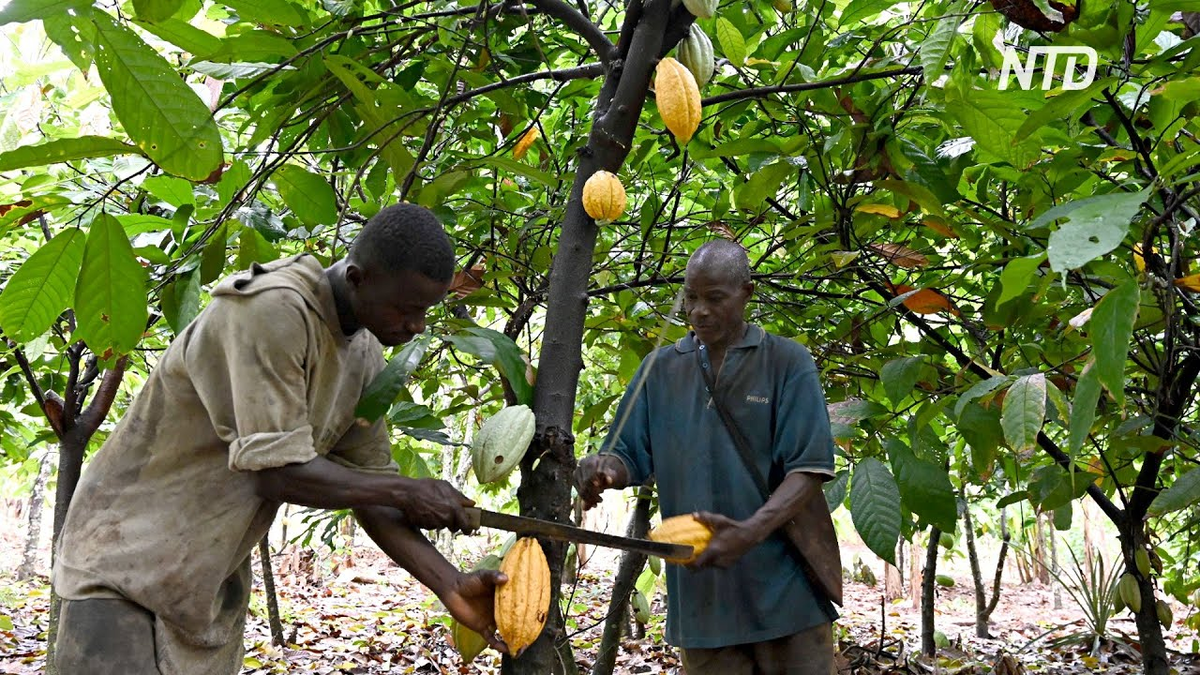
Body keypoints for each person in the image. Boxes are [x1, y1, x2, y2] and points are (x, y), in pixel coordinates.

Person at [53, 203, 506, 675]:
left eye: (426, 312)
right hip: (124, 563)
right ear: (357, 278)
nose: (417, 326)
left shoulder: (366, 351)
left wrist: (451, 585)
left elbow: (370, 488)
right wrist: (409, 491)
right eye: (407, 309)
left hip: (201, 582)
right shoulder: (272, 310)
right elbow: (278, 474)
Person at [575, 239, 838, 675]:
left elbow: (808, 470)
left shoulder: (788, 362)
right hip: (703, 604)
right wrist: (603, 470)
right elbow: (626, 455)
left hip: (787, 596)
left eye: (715, 298)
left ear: (746, 293)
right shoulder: (659, 369)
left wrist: (749, 532)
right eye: (691, 297)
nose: (699, 311)